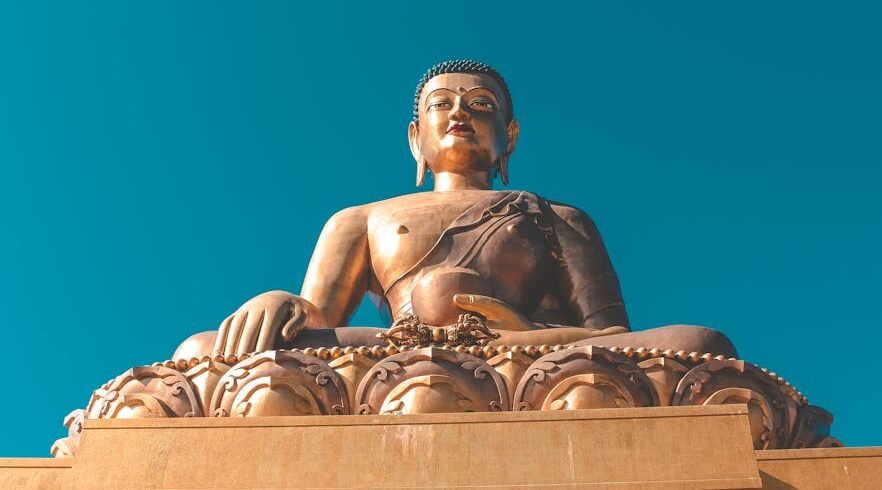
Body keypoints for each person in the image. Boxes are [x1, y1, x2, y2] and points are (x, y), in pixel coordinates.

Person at [174, 60, 736, 360]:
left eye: (481, 105)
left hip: (527, 352)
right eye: (441, 105)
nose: (459, 113)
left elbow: (613, 338)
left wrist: (520, 337)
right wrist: (282, 303)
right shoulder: (359, 219)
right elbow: (318, 322)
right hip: (394, 350)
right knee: (202, 352)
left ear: (508, 138)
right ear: (416, 138)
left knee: (699, 347)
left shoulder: (557, 217)